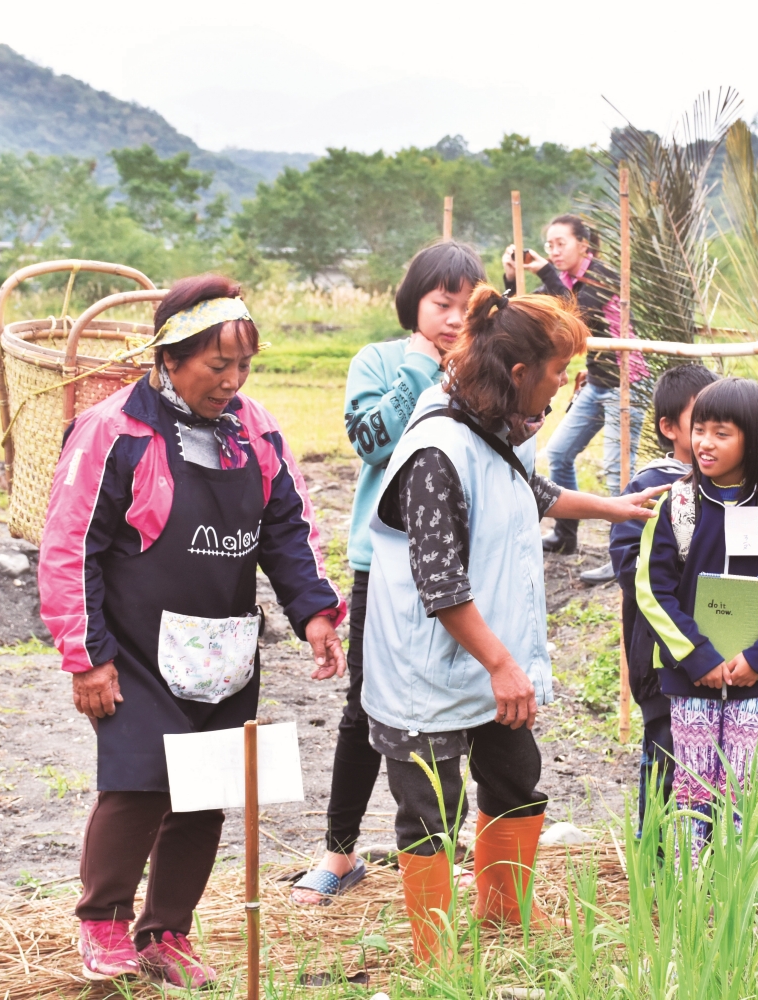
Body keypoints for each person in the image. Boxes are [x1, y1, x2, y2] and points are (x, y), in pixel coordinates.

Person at [37, 275, 347, 987]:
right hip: (135, 650)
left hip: (221, 646)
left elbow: (289, 527)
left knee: (206, 791)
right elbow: (70, 545)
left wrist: (315, 612)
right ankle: (104, 924)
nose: (233, 381)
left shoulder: (256, 429)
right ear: (171, 357)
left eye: (244, 366)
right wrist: (87, 656)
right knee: (140, 782)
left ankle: (166, 934)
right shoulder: (114, 431)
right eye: (218, 366)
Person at [363, 286, 666, 963]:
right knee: (430, 813)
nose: (567, 382)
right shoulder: (438, 448)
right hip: (430, 672)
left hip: (488, 658)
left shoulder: (493, 426)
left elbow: (526, 491)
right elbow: (439, 585)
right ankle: (434, 951)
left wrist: (615, 508)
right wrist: (503, 664)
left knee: (515, 781)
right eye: (559, 369)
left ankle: (504, 916)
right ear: (521, 372)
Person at [292, 241, 485, 906]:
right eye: (441, 304)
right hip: (388, 565)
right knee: (364, 710)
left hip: (463, 567)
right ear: (415, 303)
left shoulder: (482, 367)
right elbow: (373, 441)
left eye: (466, 306)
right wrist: (419, 369)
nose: (455, 318)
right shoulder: (379, 361)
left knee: (461, 705)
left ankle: (445, 851)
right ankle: (340, 853)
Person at [635, 377, 758, 857]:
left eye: (722, 432)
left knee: (742, 784)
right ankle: (687, 891)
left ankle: (732, 888)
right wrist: (696, 655)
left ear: (754, 438)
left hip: (757, 675)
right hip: (688, 674)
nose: (704, 443)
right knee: (692, 783)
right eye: (700, 429)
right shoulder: (677, 504)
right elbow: (653, 589)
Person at [608, 363, 719, 830]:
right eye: (699, 424)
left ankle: (704, 861)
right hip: (661, 656)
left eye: (723, 422)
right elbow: (630, 565)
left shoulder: (744, 489)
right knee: (665, 754)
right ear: (670, 428)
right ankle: (653, 861)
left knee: (714, 761)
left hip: (720, 653)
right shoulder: (653, 487)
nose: (711, 437)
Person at [504, 214, 646, 573]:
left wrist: (546, 273)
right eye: (549, 244)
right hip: (598, 382)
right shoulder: (561, 279)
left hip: (628, 383)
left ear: (584, 244)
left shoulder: (604, 276)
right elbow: (523, 313)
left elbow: (575, 316)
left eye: (560, 243)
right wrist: (510, 277)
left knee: (617, 472)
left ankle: (623, 557)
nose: (553, 251)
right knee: (560, 453)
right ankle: (566, 535)